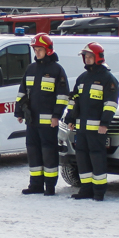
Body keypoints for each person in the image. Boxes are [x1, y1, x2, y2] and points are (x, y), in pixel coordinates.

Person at [15, 33, 70, 195]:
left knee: (48, 153)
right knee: (33, 151)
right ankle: (35, 185)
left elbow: (62, 96)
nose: (36, 52)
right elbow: (22, 92)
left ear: (48, 50)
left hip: (48, 122)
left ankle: (50, 186)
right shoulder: (31, 69)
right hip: (31, 120)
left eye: (39, 49)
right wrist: (19, 111)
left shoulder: (56, 70)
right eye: (35, 49)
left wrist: (56, 116)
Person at [64, 42, 119, 201]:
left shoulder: (107, 79)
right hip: (81, 129)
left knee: (97, 158)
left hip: (97, 129)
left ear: (98, 57)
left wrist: (104, 124)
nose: (87, 59)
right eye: (85, 57)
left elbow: (111, 103)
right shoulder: (82, 79)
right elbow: (74, 100)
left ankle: (99, 191)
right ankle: (85, 189)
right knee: (81, 158)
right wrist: (70, 119)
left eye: (90, 56)